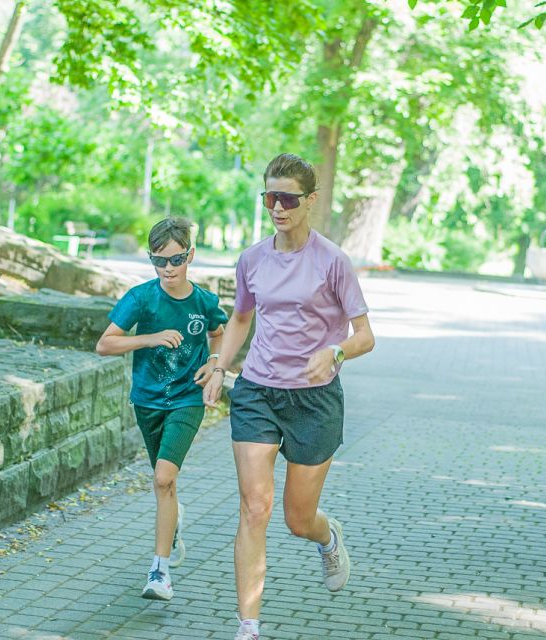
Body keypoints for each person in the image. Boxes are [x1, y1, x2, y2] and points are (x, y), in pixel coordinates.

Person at [203, 153, 375, 639]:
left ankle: (327, 535)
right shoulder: (252, 259)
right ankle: (248, 626)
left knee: (297, 519)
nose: (277, 207)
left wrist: (335, 352)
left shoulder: (332, 261)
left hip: (314, 400)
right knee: (254, 506)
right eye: (270, 197)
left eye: (287, 198)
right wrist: (220, 365)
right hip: (257, 391)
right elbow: (240, 318)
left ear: (311, 201)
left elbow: (365, 335)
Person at [96, 217, 227, 600]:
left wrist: (214, 362)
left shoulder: (204, 301)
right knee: (162, 483)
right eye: (159, 261)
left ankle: (159, 572)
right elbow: (105, 344)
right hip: (148, 402)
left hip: (188, 399)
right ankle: (173, 524)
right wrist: (149, 338)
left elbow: (219, 332)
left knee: (163, 479)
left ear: (191, 255)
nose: (168, 269)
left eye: (176, 259)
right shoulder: (141, 298)